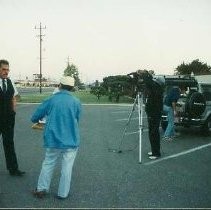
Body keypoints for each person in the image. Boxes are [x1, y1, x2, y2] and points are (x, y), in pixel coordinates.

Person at [31, 76, 81, 199]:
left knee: (48, 163)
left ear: (59, 85)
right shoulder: (76, 102)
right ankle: (63, 193)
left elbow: (34, 117)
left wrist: (39, 120)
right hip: (71, 140)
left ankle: (42, 189)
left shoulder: (51, 99)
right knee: (67, 168)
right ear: (72, 88)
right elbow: (77, 119)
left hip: (53, 139)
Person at [0, 59, 25, 176]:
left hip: (8, 119)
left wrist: (13, 111)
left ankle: (13, 169)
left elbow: (14, 98)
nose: (6, 72)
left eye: (7, 70)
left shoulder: (10, 82)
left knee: (9, 143)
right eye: (3, 69)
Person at [138, 70, 164, 160]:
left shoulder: (157, 89)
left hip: (154, 113)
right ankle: (154, 151)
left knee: (154, 133)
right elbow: (149, 84)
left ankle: (156, 153)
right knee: (152, 132)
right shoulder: (155, 89)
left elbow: (149, 83)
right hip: (152, 113)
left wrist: (144, 74)